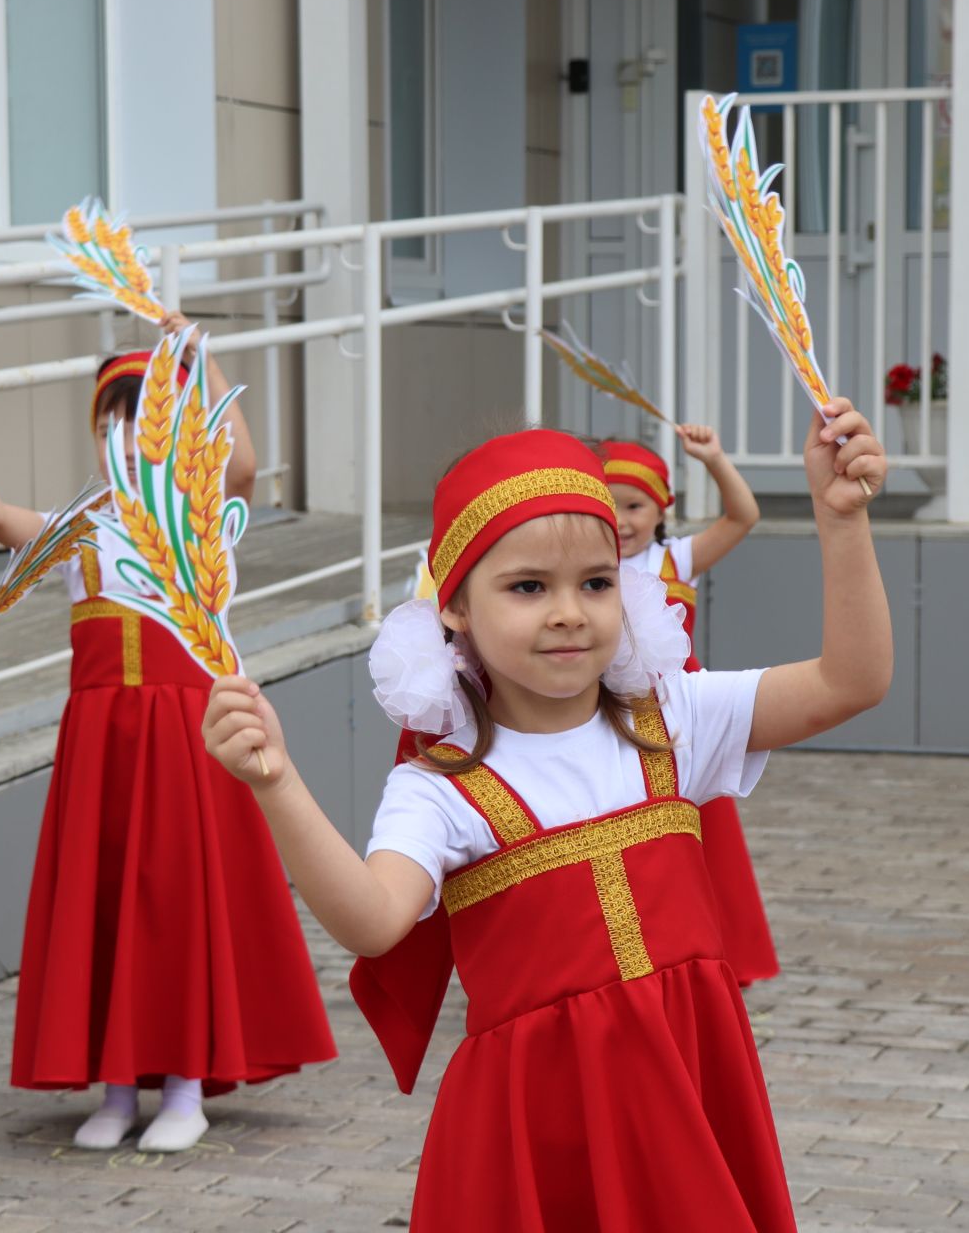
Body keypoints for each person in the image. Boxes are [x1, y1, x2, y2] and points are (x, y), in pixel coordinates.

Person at [203, 400, 892, 1227]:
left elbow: (850, 683)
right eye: (528, 587)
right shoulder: (443, 786)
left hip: (689, 1086)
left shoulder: (673, 720)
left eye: (595, 583)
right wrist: (278, 783)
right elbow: (374, 922)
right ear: (454, 606)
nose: (569, 610)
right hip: (539, 1127)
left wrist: (840, 521)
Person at [0, 314, 333, 1154]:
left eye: (150, 421)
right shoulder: (83, 527)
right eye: (110, 424)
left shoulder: (200, 521)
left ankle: (188, 1088)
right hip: (102, 747)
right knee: (107, 905)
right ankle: (119, 1089)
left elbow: (241, 463)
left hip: (188, 742)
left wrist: (203, 358)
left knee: (180, 903)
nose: (126, 439)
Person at [599, 430, 780, 984]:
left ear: (661, 511)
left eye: (635, 505)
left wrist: (714, 458)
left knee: (698, 839)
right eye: (610, 506)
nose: (624, 520)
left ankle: (715, 956)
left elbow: (743, 515)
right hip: (607, 717)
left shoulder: (674, 557)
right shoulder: (585, 564)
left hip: (676, 721)